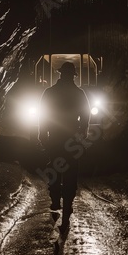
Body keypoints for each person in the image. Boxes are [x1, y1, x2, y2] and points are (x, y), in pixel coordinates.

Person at [38, 62, 90, 232]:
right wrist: (82, 133)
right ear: (72, 75)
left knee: (55, 167)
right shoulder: (79, 93)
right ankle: (67, 208)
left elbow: (43, 114)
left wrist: (42, 133)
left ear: (61, 74)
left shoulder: (50, 92)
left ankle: (55, 200)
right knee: (70, 172)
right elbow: (85, 115)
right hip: (71, 138)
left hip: (55, 137)